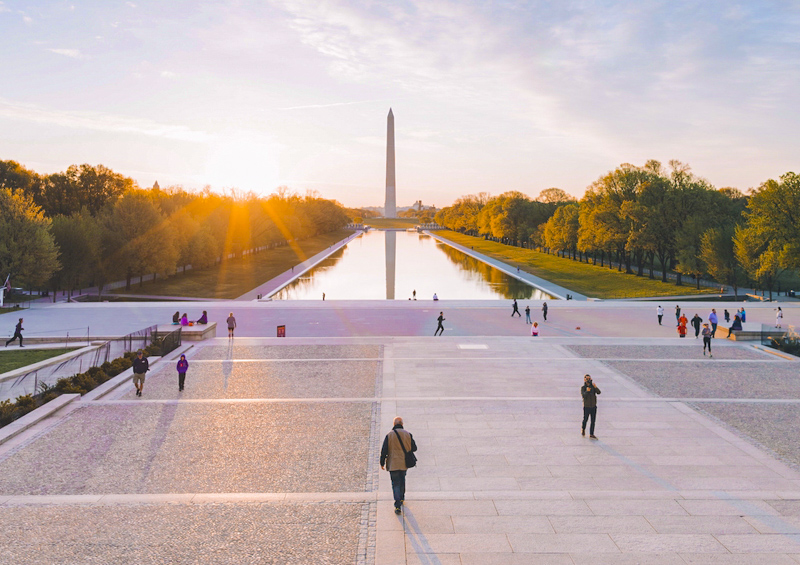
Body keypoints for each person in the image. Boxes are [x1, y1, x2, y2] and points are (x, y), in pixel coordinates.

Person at [380, 416, 417, 515]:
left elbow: (384, 451)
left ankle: (397, 505)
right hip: (404, 462)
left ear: (394, 424)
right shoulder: (408, 434)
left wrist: (382, 462)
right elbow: (414, 448)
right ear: (402, 424)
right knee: (402, 480)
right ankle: (401, 498)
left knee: (395, 483)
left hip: (393, 463)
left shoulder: (389, 435)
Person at [581, 374, 600, 439]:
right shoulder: (583, 388)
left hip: (593, 406)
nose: (588, 380)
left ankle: (591, 434)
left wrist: (595, 387)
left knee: (593, 421)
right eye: (587, 379)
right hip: (587, 407)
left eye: (589, 378)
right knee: (585, 419)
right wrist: (587, 391)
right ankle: (583, 429)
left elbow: (599, 392)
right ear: (584, 379)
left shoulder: (593, 387)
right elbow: (583, 395)